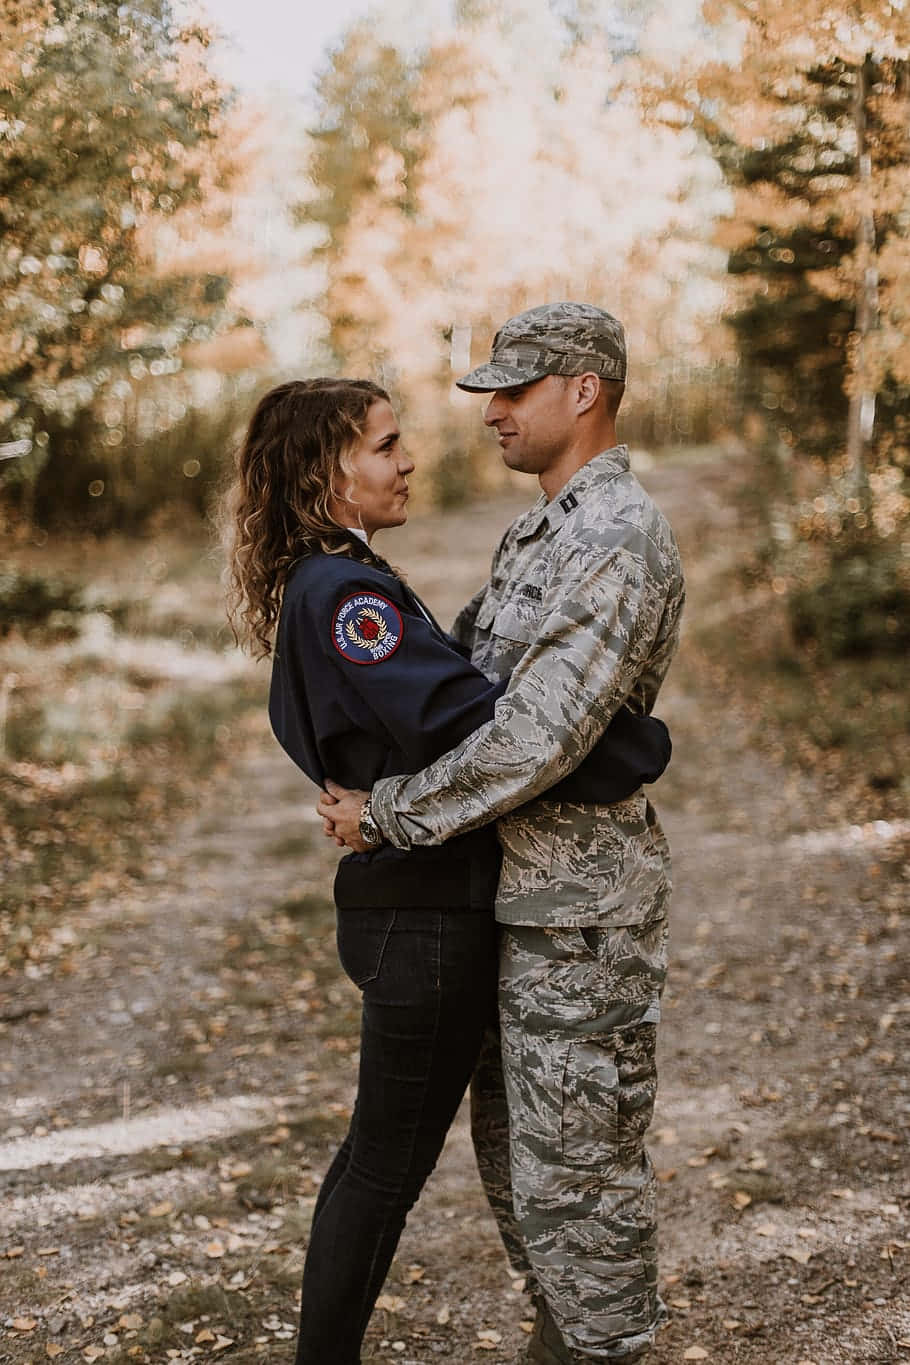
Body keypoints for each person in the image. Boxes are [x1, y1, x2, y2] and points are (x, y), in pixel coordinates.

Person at [222, 375, 672, 1365]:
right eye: (383, 446)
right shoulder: (345, 594)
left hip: (420, 905)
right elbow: (473, 721)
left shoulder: (343, 573)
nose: (407, 459)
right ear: (322, 472)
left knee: (389, 1155)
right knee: (383, 1163)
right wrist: (632, 751)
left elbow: (464, 699)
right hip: (420, 914)